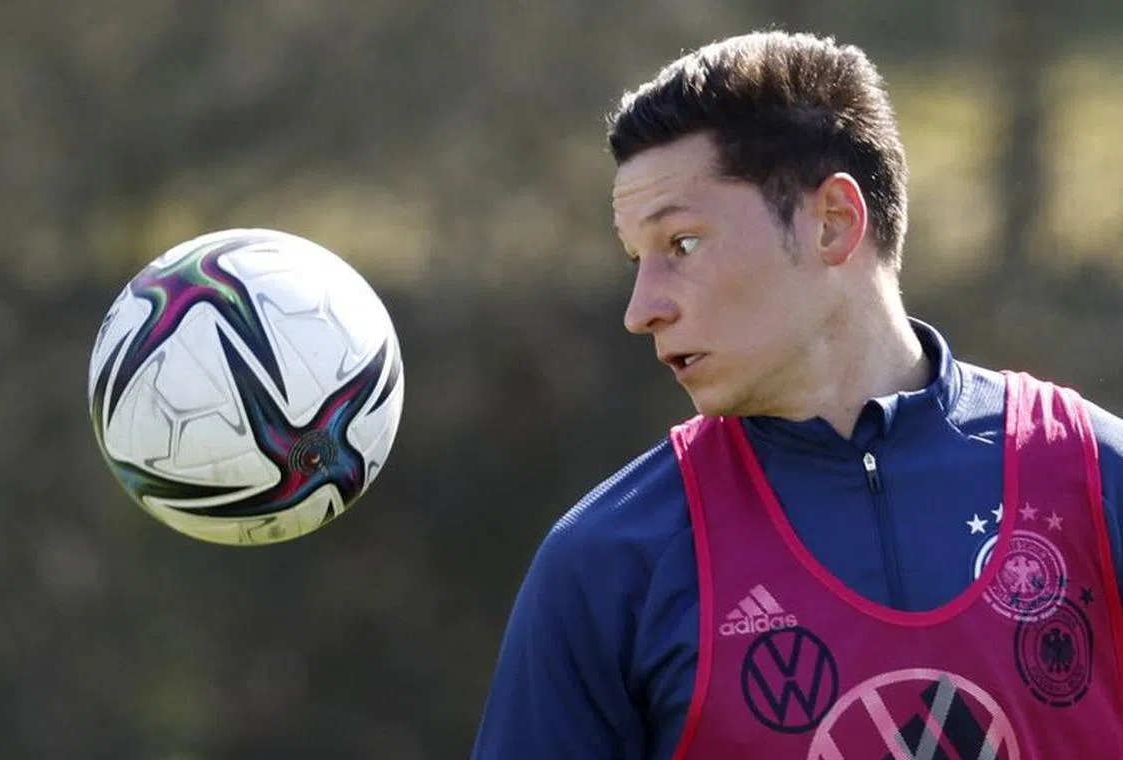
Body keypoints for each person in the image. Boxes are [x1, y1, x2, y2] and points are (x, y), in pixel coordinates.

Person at [470, 31, 1123, 759]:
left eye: (681, 244)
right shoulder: (607, 564)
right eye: (635, 259)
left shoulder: (1097, 479)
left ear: (833, 223)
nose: (640, 309)